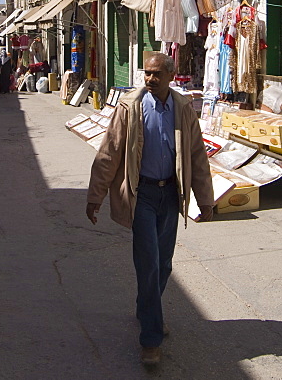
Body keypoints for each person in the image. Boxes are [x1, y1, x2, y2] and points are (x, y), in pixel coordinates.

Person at [86, 54, 215, 366]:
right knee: (149, 264)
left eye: (157, 74)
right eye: (147, 73)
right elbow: (110, 151)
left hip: (170, 194)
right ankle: (151, 339)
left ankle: (147, 309)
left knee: (165, 263)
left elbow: (196, 154)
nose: (150, 79)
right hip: (140, 193)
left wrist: (206, 199)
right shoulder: (130, 106)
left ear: (171, 75)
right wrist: (95, 195)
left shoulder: (183, 108)